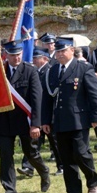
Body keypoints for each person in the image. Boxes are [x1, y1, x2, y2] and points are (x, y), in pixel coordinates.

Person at [41, 38, 97, 193]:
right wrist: (45, 120)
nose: (60, 54)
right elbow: (47, 98)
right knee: (66, 157)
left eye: (63, 51)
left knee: (81, 153)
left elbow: (95, 94)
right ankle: (73, 192)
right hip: (60, 120)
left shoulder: (83, 68)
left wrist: (96, 117)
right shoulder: (52, 71)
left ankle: (93, 182)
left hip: (78, 119)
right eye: (58, 51)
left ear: (72, 50)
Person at [0, 40, 50, 193]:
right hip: (4, 120)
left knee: (30, 153)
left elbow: (37, 99)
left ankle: (43, 172)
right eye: (12, 55)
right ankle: (10, 189)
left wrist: (36, 124)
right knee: (6, 156)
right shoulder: (0, 71)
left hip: (25, 120)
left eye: (18, 55)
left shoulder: (30, 71)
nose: (16, 58)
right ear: (6, 55)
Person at [32, 47, 63, 175]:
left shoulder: (50, 72)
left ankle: (61, 165)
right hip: (37, 111)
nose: (33, 60)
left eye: (36, 58)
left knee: (54, 141)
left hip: (48, 111)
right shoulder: (35, 72)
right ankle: (28, 166)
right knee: (34, 141)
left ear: (45, 58)